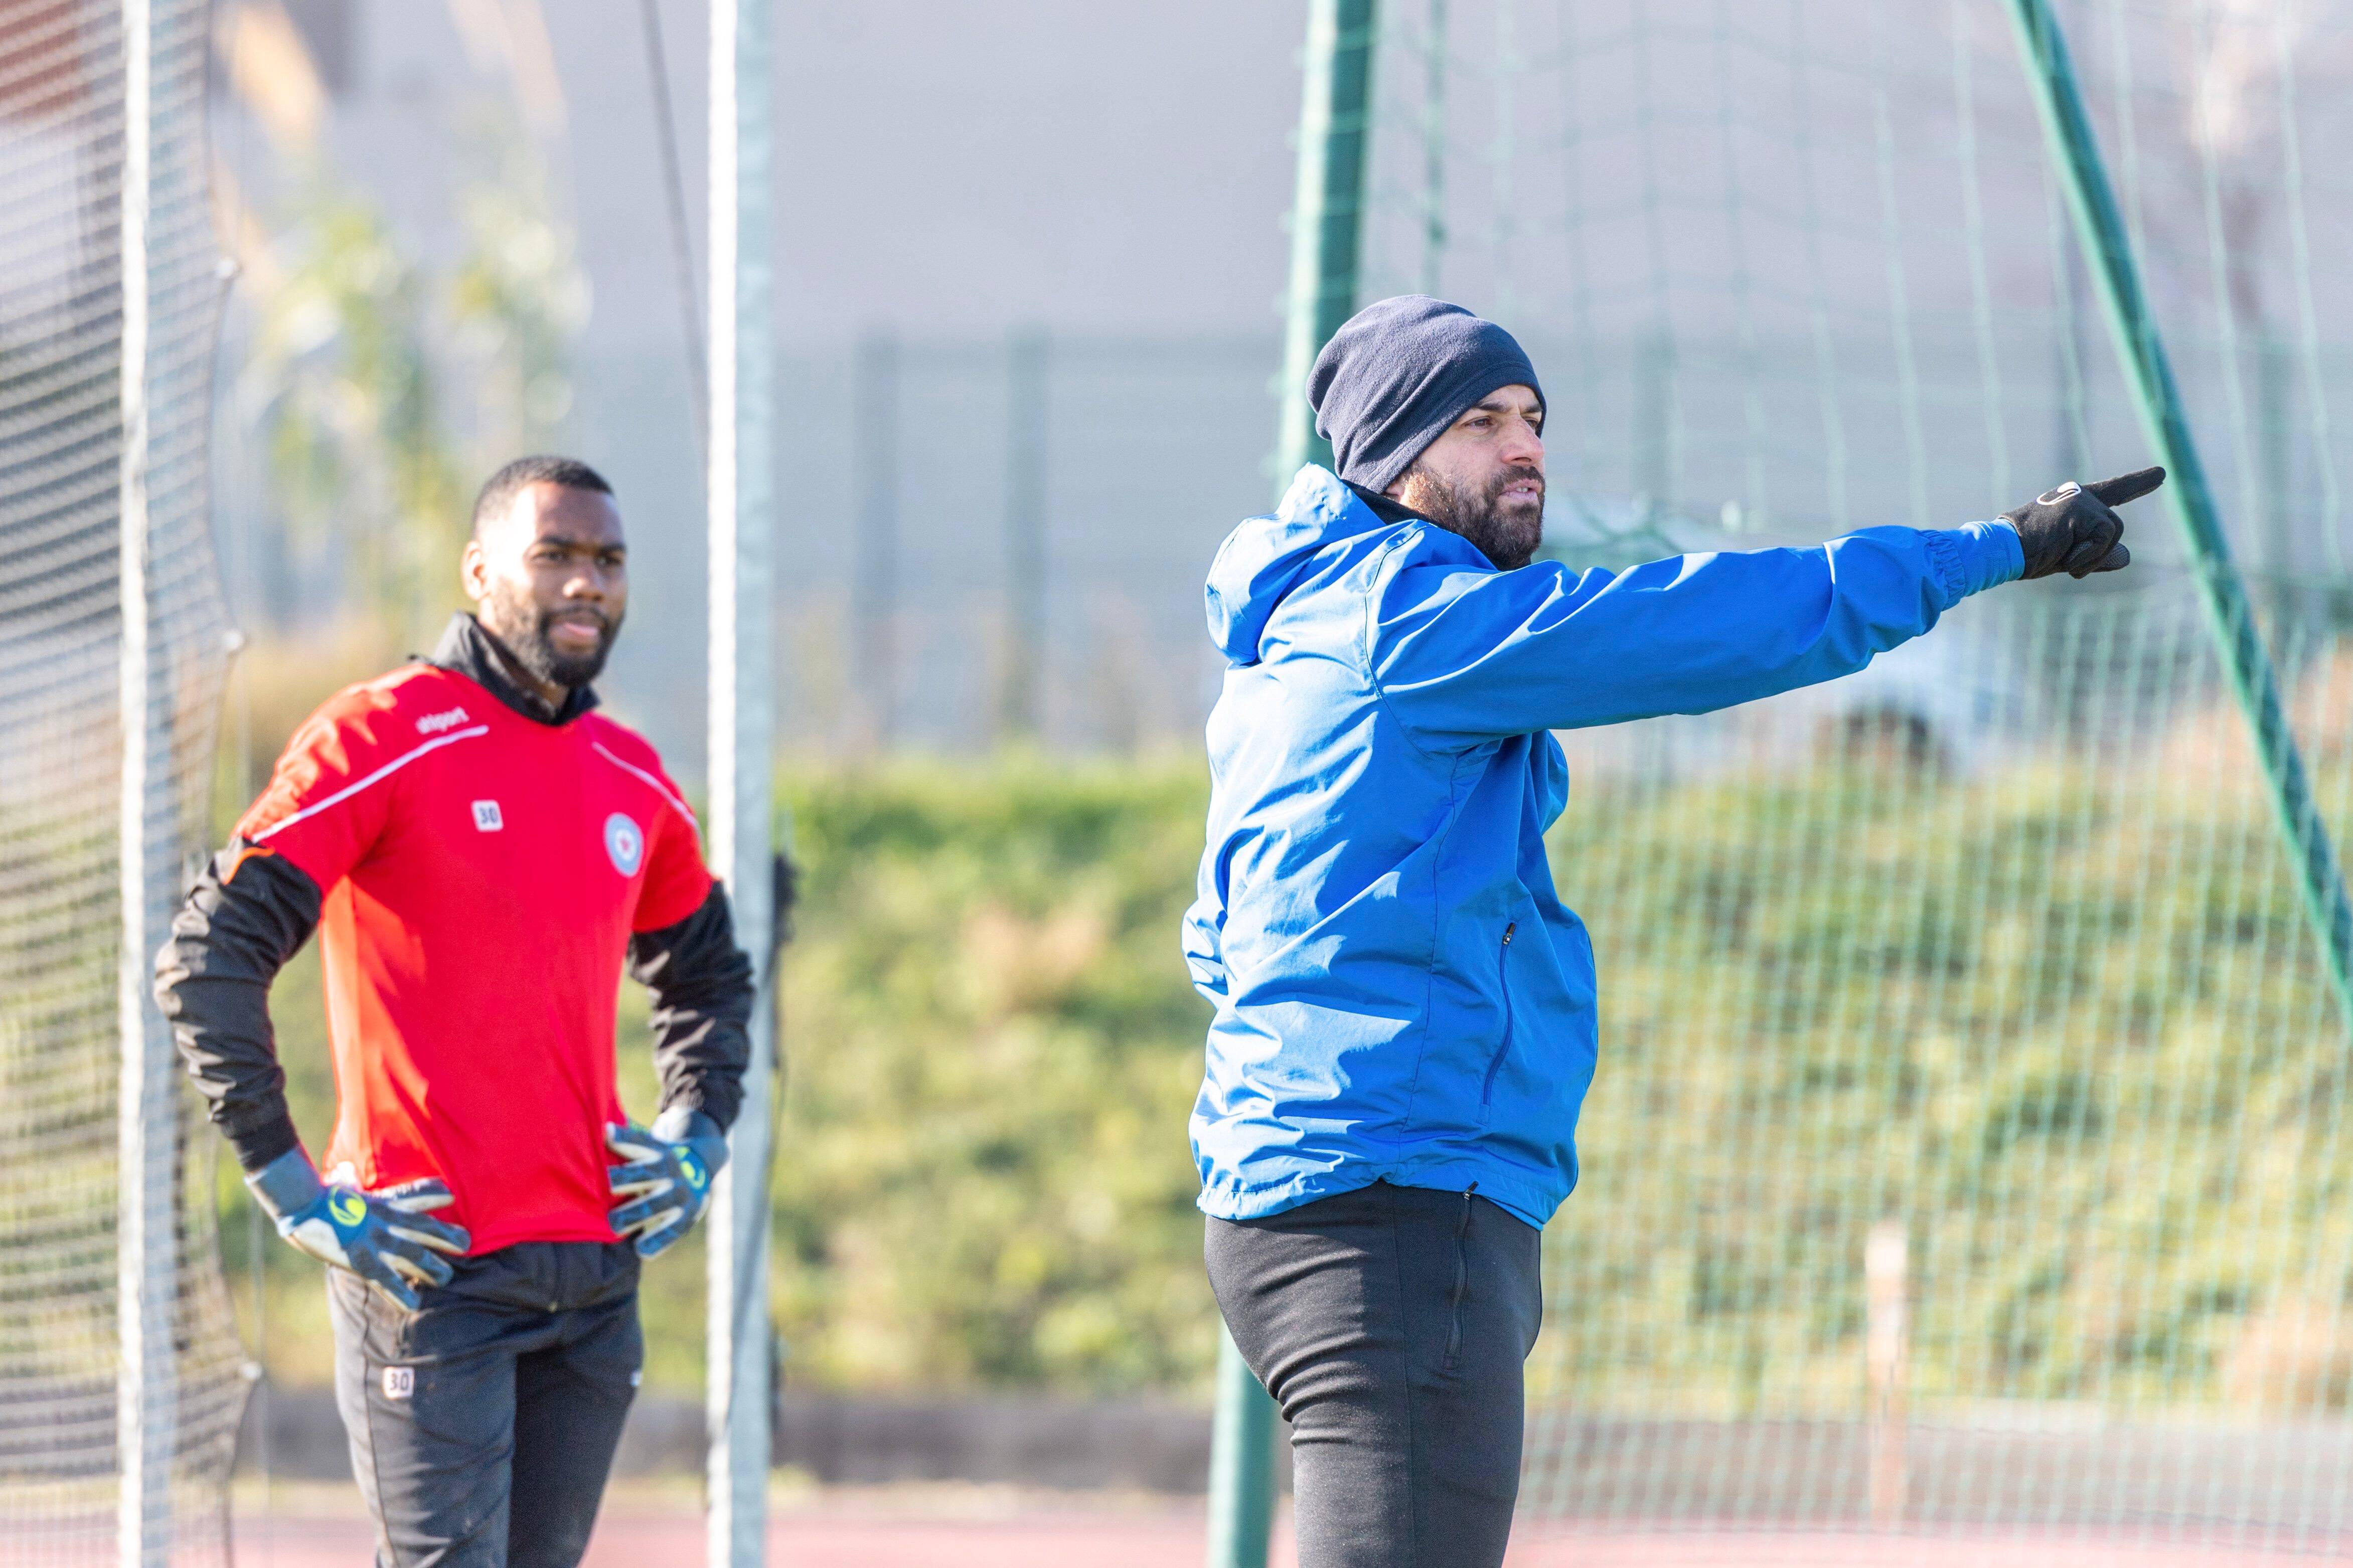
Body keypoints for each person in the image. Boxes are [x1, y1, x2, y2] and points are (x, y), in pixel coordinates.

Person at [1183, 295, 2164, 1568]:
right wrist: (1990, 550)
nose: (1524, 446)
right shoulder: (1413, 622)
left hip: (1312, 1198)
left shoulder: (1297, 632)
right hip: (1394, 1202)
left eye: (1534, 417)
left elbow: (1218, 933)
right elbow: (1700, 624)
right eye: (1480, 422)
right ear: (1391, 453)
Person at [155, 455, 756, 1568]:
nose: (587, 582)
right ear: (479, 572)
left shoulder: (633, 773)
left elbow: (710, 979)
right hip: (430, 1272)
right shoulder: (379, 734)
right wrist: (292, 1188)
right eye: (555, 554)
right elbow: (207, 957)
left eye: (609, 560)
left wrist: (698, 1134)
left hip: (594, 1277)